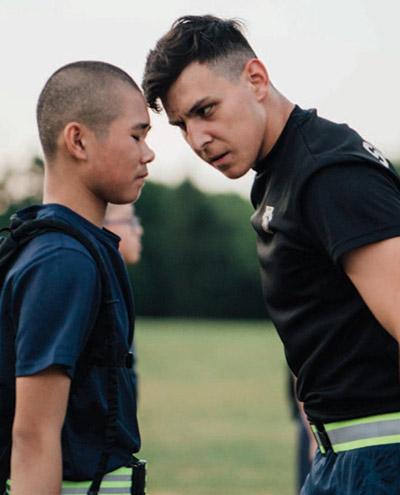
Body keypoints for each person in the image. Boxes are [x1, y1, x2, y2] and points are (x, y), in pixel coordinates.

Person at [142, 15, 400, 495]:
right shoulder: (281, 171)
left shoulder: (328, 172)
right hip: (340, 457)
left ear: (256, 80)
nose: (197, 139)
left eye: (206, 110)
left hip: (380, 459)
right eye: (181, 125)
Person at [0, 60, 155, 495]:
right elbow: (33, 440)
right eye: (136, 135)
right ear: (79, 140)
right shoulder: (62, 261)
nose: (148, 152)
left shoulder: (73, 248)